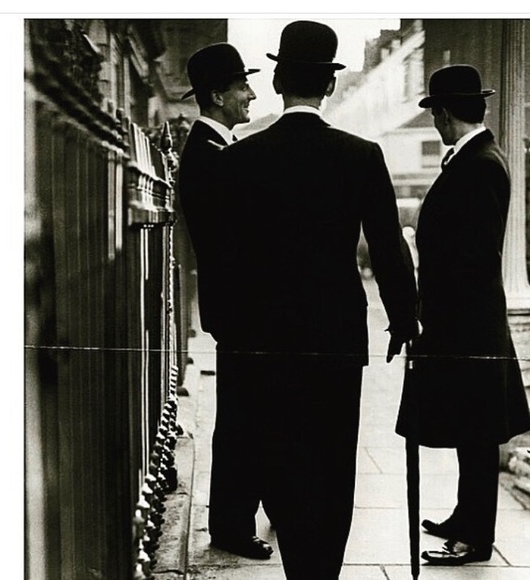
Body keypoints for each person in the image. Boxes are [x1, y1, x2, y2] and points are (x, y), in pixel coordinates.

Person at [216, 21, 418, 579]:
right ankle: (322, 568)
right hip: (335, 338)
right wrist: (404, 319)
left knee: (280, 458)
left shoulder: (239, 159)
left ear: (277, 82)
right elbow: (388, 246)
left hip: (265, 341)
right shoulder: (361, 156)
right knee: (332, 462)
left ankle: (296, 565)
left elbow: (223, 257)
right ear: (329, 86)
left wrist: (231, 330)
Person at [395, 64, 530, 566]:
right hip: (466, 319)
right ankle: (465, 515)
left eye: (435, 113)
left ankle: (475, 536)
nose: (435, 123)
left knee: (476, 432)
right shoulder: (475, 159)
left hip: (468, 323)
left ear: (445, 113)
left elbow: (471, 256)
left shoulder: (479, 164)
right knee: (471, 427)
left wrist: (436, 315)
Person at [177, 43, 274, 560]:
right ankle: (232, 526)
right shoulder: (212, 154)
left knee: (249, 415)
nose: (251, 94)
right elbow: (238, 242)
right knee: (242, 420)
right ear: (217, 95)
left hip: (239, 308)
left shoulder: (216, 148)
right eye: (242, 87)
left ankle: (245, 512)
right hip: (243, 310)